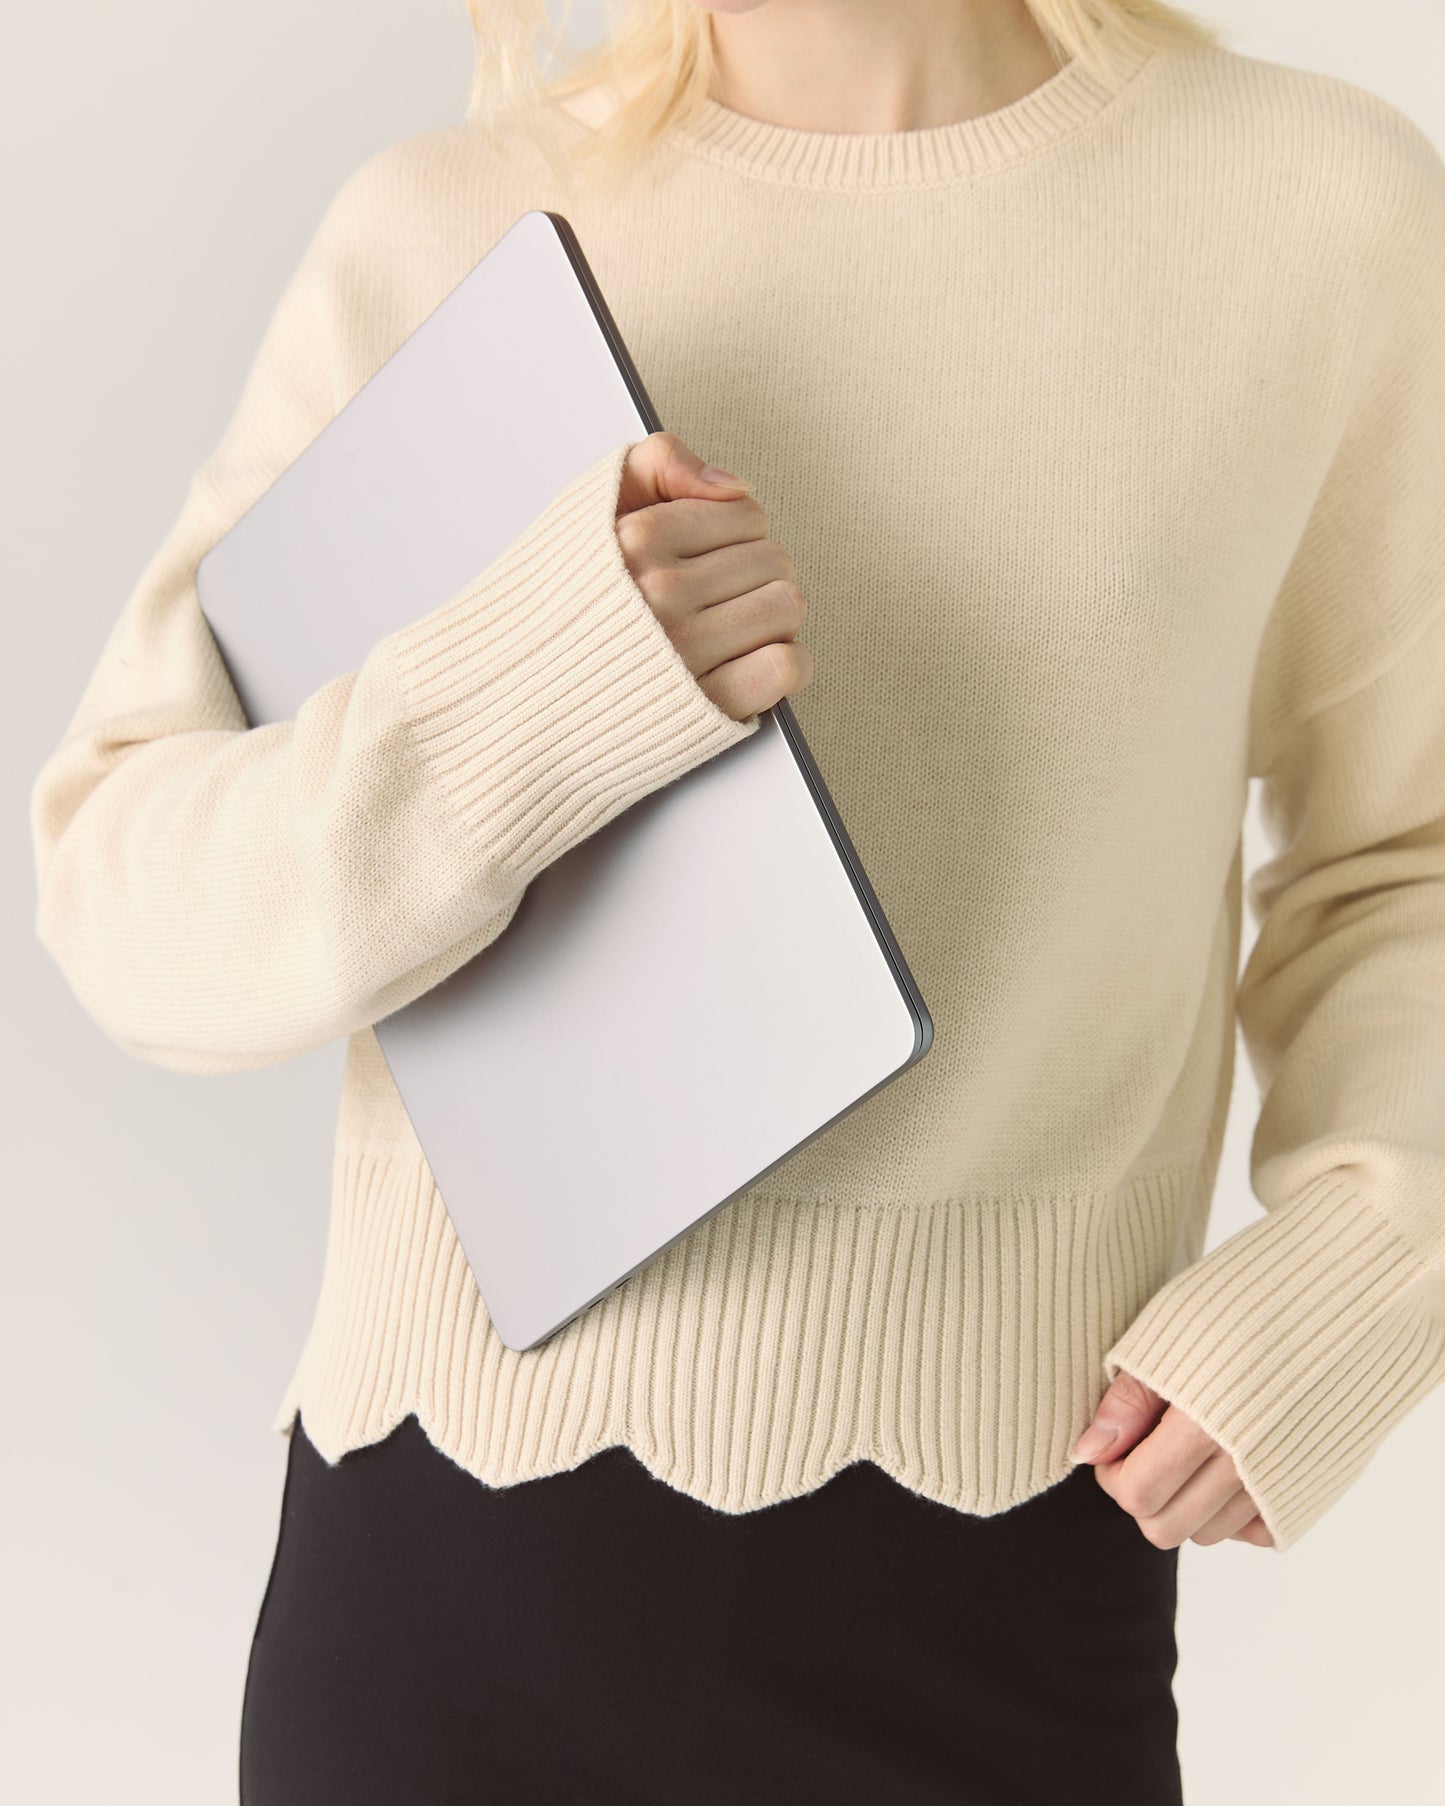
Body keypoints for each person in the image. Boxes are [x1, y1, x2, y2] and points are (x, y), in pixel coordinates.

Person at [28, 0, 1445, 1800]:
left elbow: (1409, 853)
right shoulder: (442, 233)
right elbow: (125, 892)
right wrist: (529, 694)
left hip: (1009, 1573)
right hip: (438, 1591)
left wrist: (1374, 1256)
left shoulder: (1317, 212)